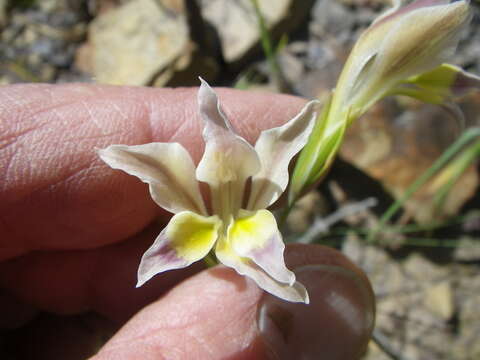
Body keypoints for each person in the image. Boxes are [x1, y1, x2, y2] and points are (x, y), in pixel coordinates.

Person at [0, 83, 375, 359]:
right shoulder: (196, 221)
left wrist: (282, 280)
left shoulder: (249, 213)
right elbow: (161, 250)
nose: (222, 154)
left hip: (241, 230)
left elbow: (286, 141)